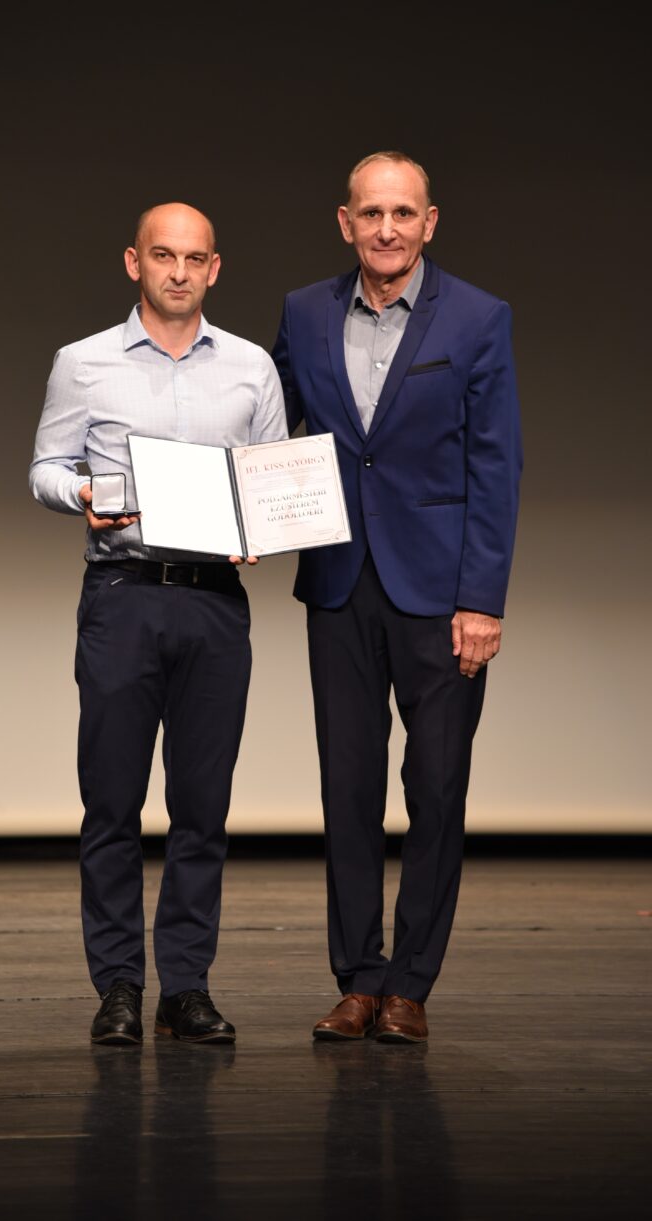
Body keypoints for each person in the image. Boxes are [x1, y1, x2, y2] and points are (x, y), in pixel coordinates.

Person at [272, 152, 522, 1043]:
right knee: (347, 786)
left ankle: (410, 984)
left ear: (429, 221)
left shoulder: (479, 317)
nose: (387, 229)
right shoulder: (304, 311)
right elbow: (270, 428)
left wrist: (482, 598)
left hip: (443, 594)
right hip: (339, 581)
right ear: (346, 222)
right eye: (371, 213)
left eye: (403, 213)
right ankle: (358, 978)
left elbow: (495, 464)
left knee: (437, 788)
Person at [30, 202, 287, 1045]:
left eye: (195, 258)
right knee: (111, 802)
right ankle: (117, 987)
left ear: (215, 268)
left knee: (202, 806)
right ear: (133, 262)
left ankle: (186, 987)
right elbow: (45, 467)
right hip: (124, 593)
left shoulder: (250, 368)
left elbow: (270, 479)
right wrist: (82, 492)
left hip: (214, 601)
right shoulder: (84, 363)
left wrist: (262, 525)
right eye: (164, 255)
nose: (179, 271)